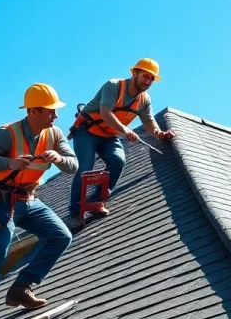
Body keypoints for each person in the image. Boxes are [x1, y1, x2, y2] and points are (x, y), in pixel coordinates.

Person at [0, 83, 77, 319]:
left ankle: (21, 288)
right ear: (34, 112)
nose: (56, 115)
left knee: (61, 236)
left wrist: (59, 159)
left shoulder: (55, 134)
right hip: (1, 199)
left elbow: (73, 164)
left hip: (28, 199)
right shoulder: (8, 133)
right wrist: (10, 162)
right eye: (51, 111)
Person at [67, 58, 176, 228]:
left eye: (151, 79)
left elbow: (148, 121)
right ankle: (75, 212)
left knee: (118, 160)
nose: (147, 81)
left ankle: (96, 201)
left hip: (109, 135)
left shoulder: (144, 99)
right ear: (135, 73)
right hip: (87, 131)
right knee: (85, 167)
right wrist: (125, 131)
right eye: (145, 76)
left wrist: (160, 134)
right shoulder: (114, 86)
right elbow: (105, 113)